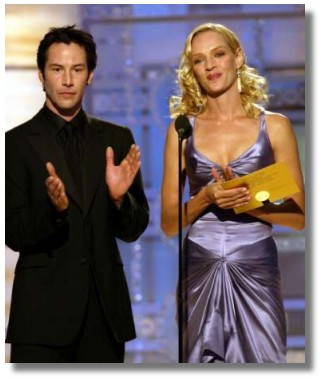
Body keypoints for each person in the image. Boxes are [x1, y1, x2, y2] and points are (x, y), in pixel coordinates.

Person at [161, 23, 305, 363]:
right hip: (200, 266)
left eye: (218, 54)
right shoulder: (182, 129)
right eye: (199, 60)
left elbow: (299, 217)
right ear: (192, 70)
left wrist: (248, 202)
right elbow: (168, 224)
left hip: (255, 265)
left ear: (238, 57)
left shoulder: (275, 126)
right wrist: (206, 198)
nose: (210, 66)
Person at [5, 25, 149, 363]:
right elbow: (14, 233)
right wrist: (55, 211)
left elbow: (134, 229)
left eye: (77, 69)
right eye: (57, 69)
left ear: (91, 76)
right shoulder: (15, 143)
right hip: (41, 318)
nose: (67, 80)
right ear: (41, 75)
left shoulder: (116, 138)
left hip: (104, 315)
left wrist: (118, 199)